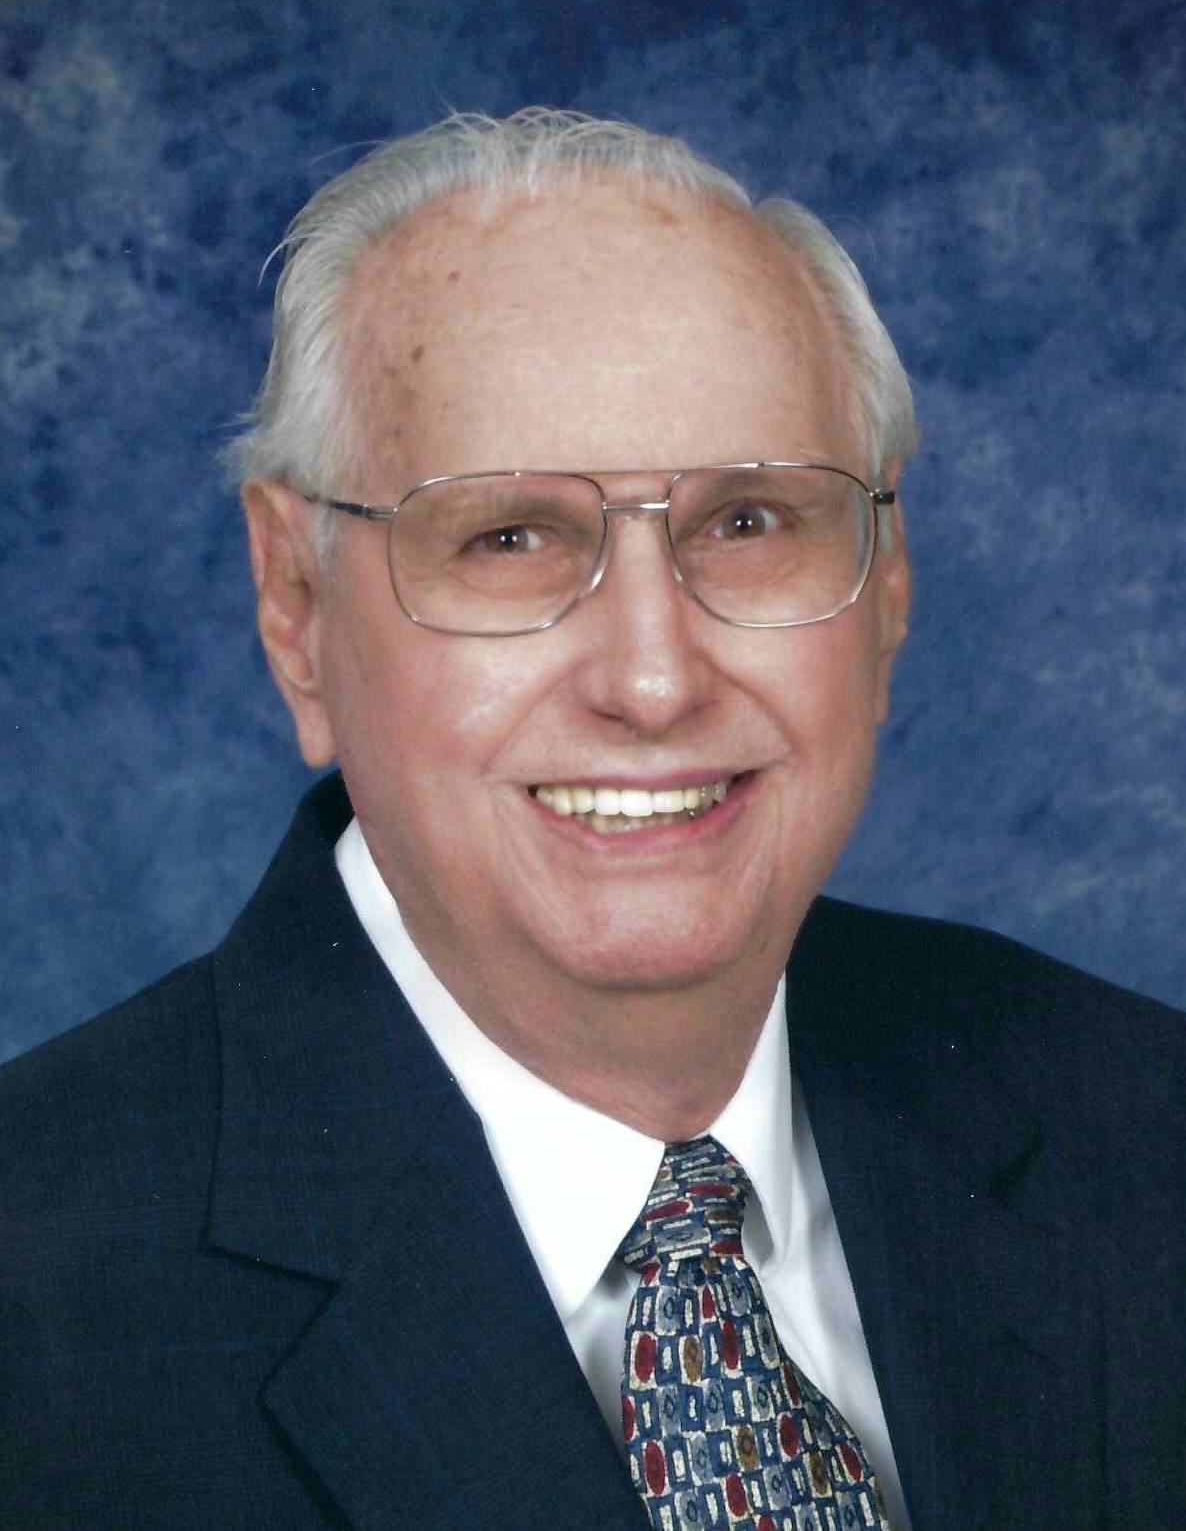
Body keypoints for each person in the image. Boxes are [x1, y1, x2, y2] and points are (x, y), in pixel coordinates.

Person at [1, 109, 1182, 1531]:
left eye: (748, 521)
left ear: (887, 588)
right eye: (509, 537)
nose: (652, 679)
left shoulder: (1143, 1127)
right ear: (296, 609)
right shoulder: (42, 1306)